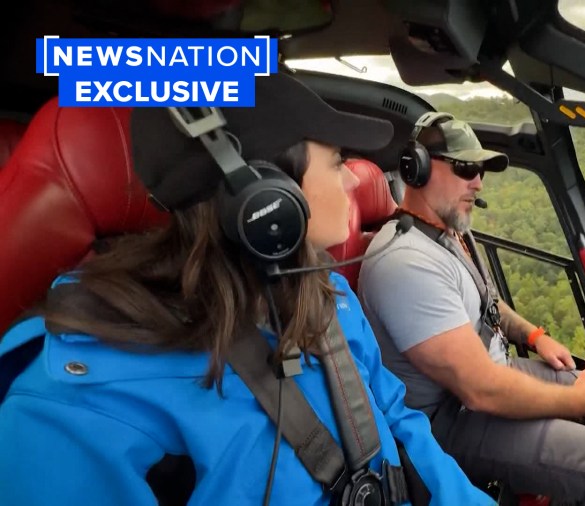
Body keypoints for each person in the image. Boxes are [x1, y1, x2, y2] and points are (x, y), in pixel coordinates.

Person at [0, 75, 494, 506]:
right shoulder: (82, 393)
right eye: (337, 160)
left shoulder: (329, 302)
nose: (350, 179)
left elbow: (400, 426)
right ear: (262, 195)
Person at [358, 112, 585, 506]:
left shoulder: (448, 234)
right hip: (449, 421)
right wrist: (577, 402)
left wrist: (535, 336)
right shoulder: (405, 264)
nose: (478, 182)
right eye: (466, 168)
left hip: (486, 379)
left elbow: (487, 303)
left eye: (480, 170)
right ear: (417, 168)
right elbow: (480, 390)